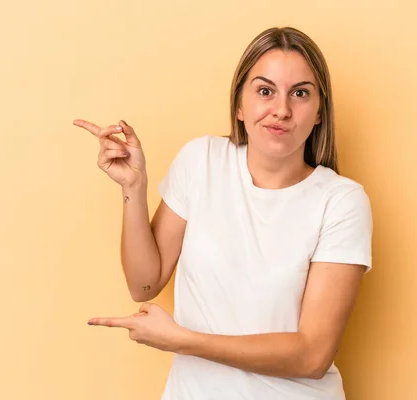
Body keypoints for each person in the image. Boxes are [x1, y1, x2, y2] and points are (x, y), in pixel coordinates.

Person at [74, 26, 373, 400]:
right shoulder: (202, 161)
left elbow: (312, 355)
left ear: (318, 113)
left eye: (300, 94)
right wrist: (133, 188)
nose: (281, 109)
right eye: (265, 91)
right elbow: (144, 284)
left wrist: (185, 341)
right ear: (239, 105)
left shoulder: (341, 201)